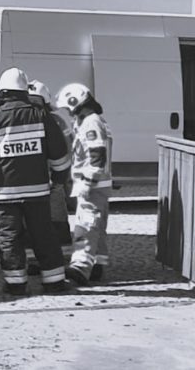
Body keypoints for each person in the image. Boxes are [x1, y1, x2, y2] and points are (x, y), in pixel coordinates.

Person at [0, 68, 72, 295]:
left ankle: (15, 284)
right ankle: (54, 281)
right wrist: (58, 179)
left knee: (10, 238)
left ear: (2, 92)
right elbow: (59, 152)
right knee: (44, 235)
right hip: (37, 193)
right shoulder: (41, 115)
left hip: (4, 194)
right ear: (24, 91)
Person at [57, 83, 113, 285]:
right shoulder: (93, 121)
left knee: (86, 225)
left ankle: (80, 268)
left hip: (91, 184)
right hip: (97, 183)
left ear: (75, 102)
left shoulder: (91, 122)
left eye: (68, 108)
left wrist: (87, 183)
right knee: (97, 227)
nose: (68, 112)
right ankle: (97, 264)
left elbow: (97, 156)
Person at [24, 80, 75, 273]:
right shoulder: (57, 120)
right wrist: (63, 177)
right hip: (52, 180)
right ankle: (60, 259)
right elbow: (68, 149)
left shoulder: (18, 118)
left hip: (30, 182)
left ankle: (34, 261)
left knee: (31, 222)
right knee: (56, 221)